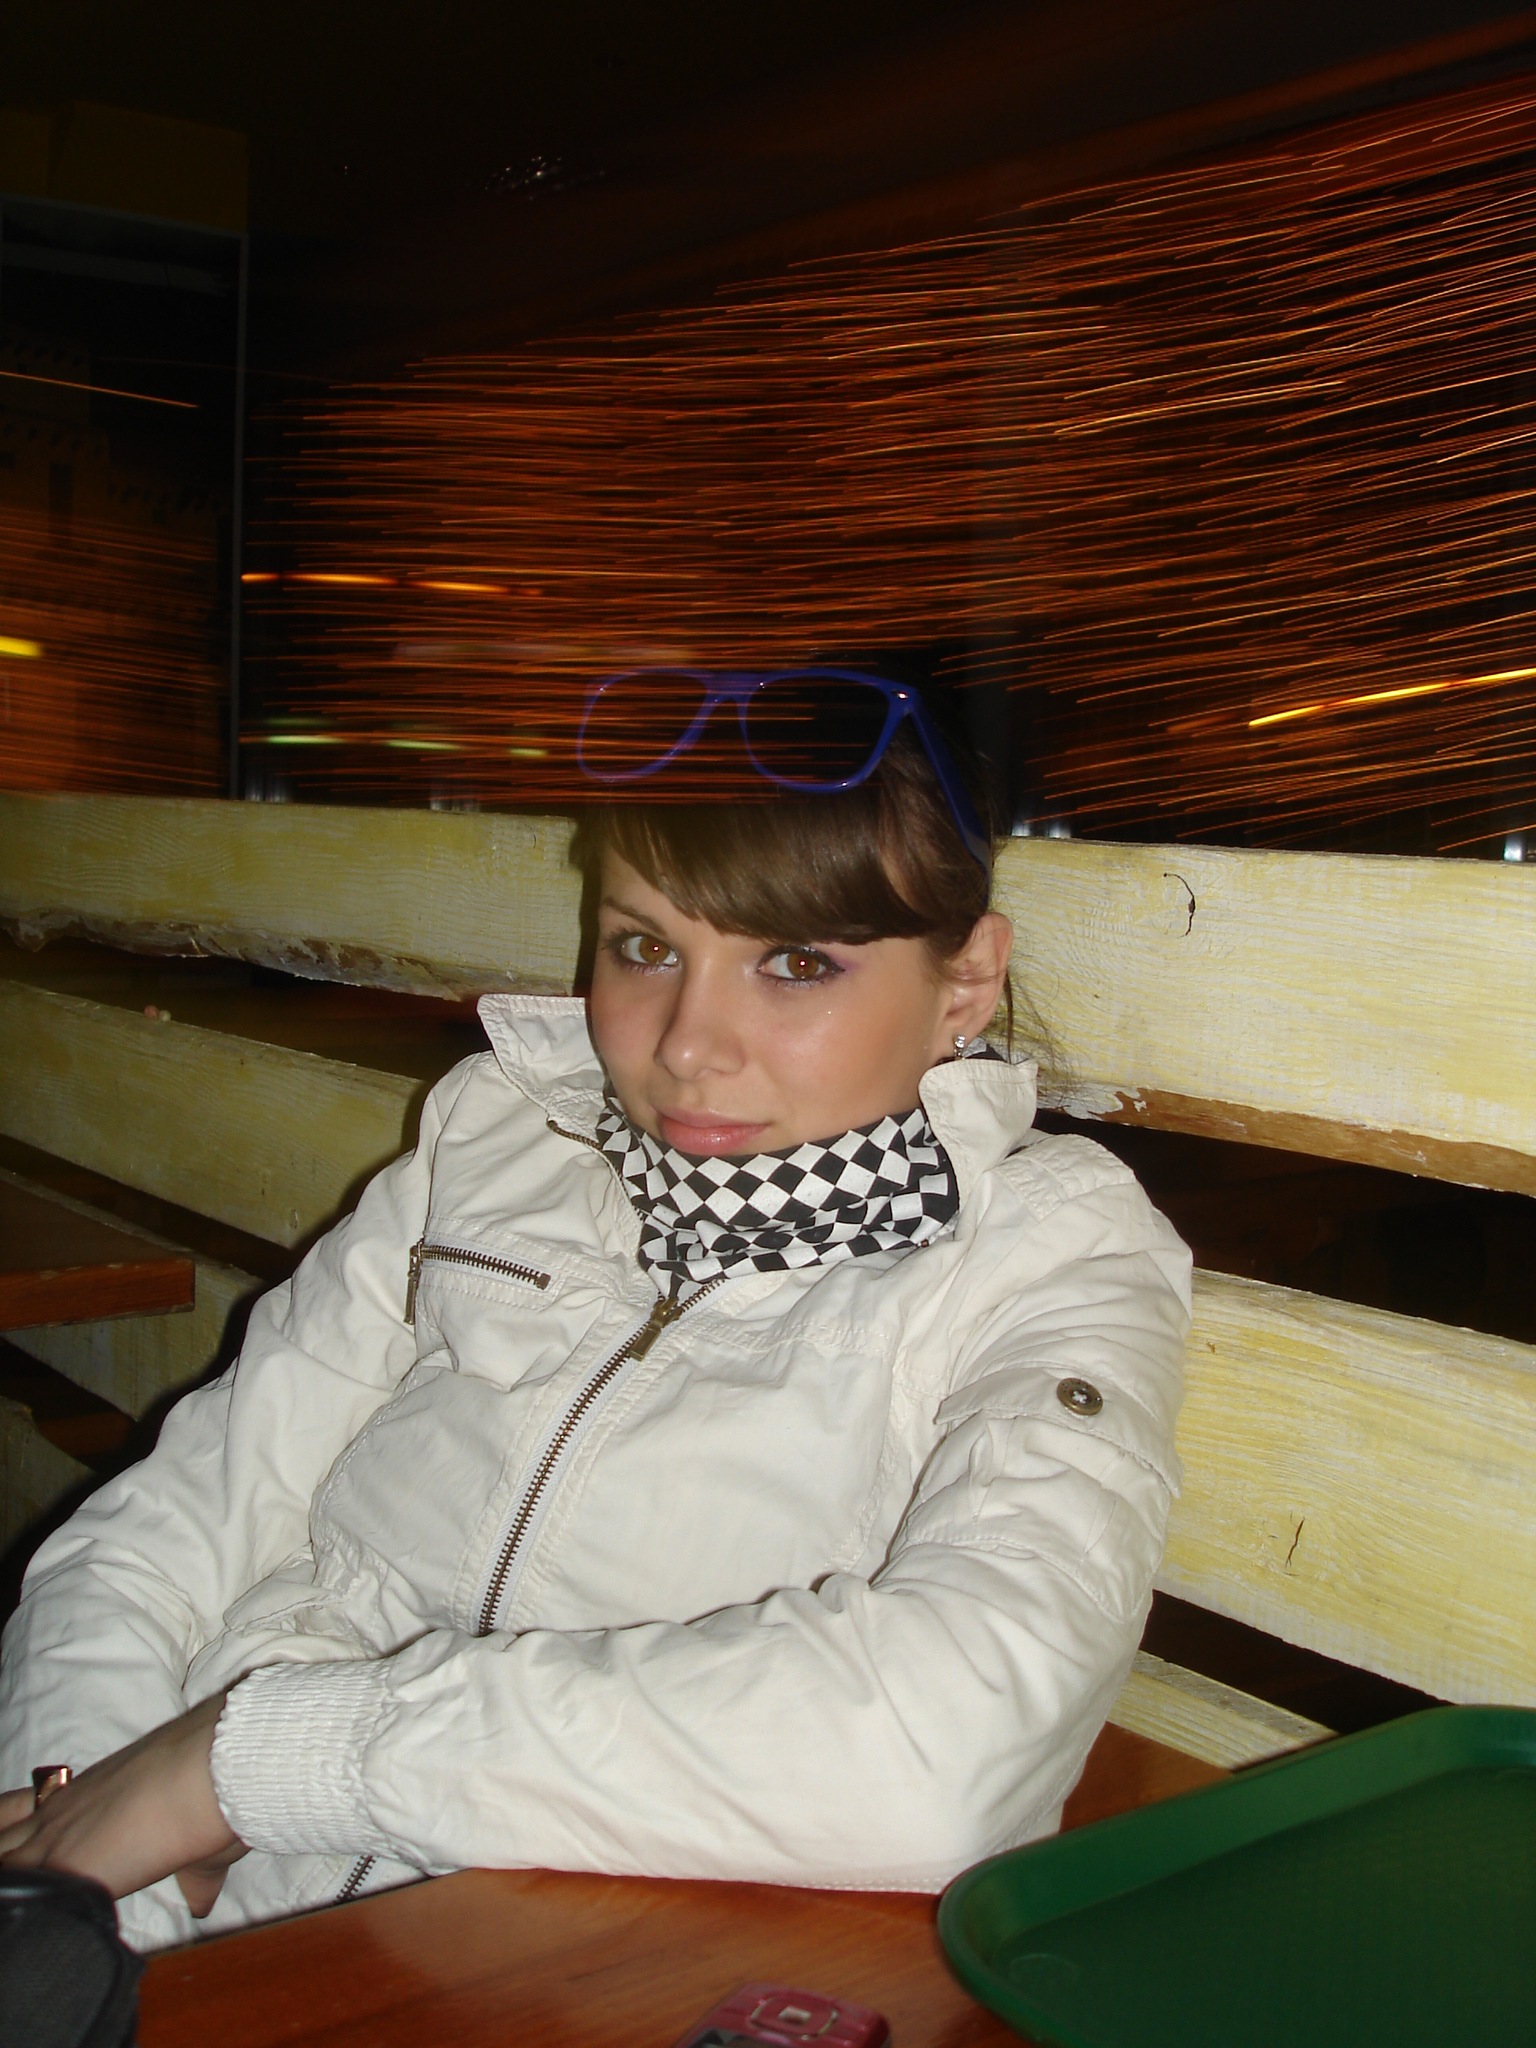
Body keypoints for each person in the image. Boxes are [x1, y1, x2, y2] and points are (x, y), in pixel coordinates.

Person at [0, 669, 1191, 1953]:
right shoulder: (497, 1134)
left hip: (534, 1945)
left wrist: (243, 1763)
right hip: (196, 1870)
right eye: (645, 946)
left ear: (964, 982)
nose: (687, 1042)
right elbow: (174, 1521)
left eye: (796, 962)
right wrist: (86, 1856)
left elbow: (953, 1738)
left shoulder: (1047, 1248)